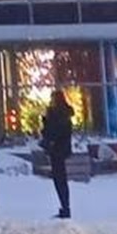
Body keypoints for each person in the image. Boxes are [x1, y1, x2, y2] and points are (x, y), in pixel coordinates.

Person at [41, 89, 74, 219]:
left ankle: (65, 208)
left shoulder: (58, 116)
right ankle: (65, 206)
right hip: (61, 149)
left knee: (59, 179)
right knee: (61, 179)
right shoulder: (65, 115)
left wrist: (46, 123)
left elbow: (53, 132)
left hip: (57, 150)